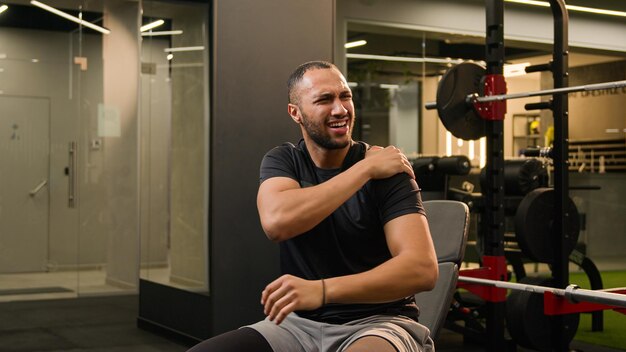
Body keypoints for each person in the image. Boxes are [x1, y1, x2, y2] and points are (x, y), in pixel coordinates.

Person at [188, 61, 438, 352]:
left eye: (345, 96)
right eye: (324, 99)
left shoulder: (388, 171)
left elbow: (422, 269)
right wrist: (363, 171)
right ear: (295, 113)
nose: (340, 109)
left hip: (378, 323)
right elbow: (277, 222)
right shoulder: (285, 161)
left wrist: (321, 291)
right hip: (297, 327)